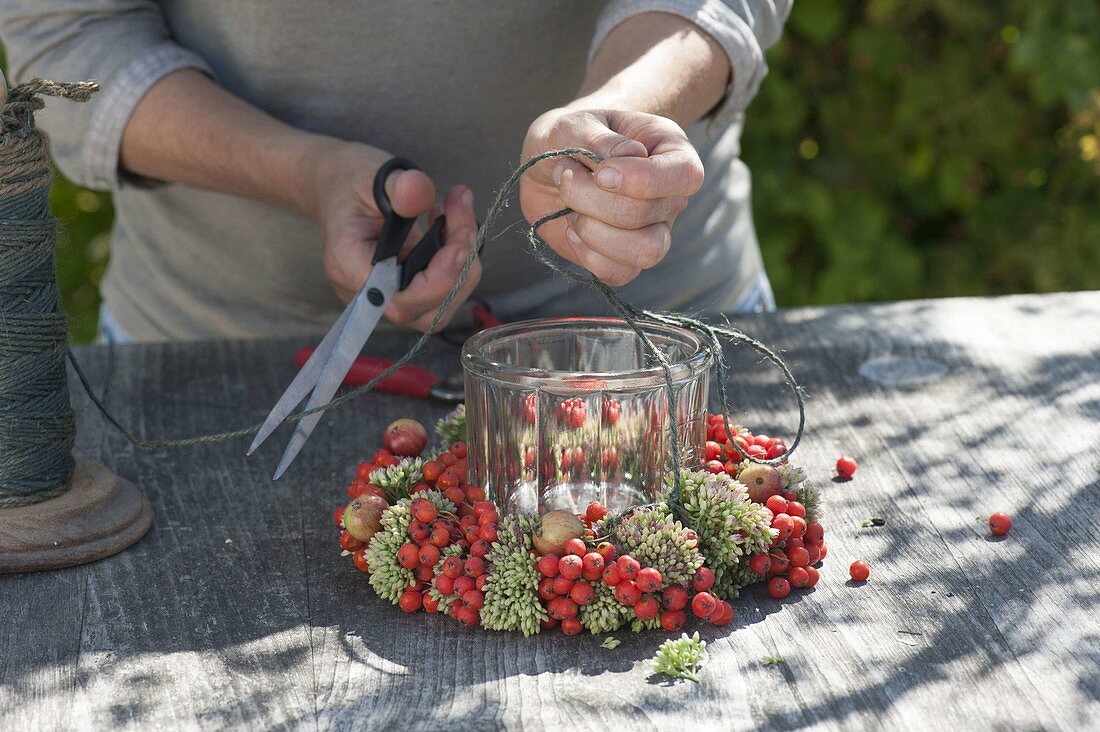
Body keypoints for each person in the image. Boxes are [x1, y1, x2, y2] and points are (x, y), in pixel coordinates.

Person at [0, 2, 789, 343]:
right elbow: (71, 38)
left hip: (659, 337)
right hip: (216, 344)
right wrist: (304, 173)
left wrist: (618, 112)